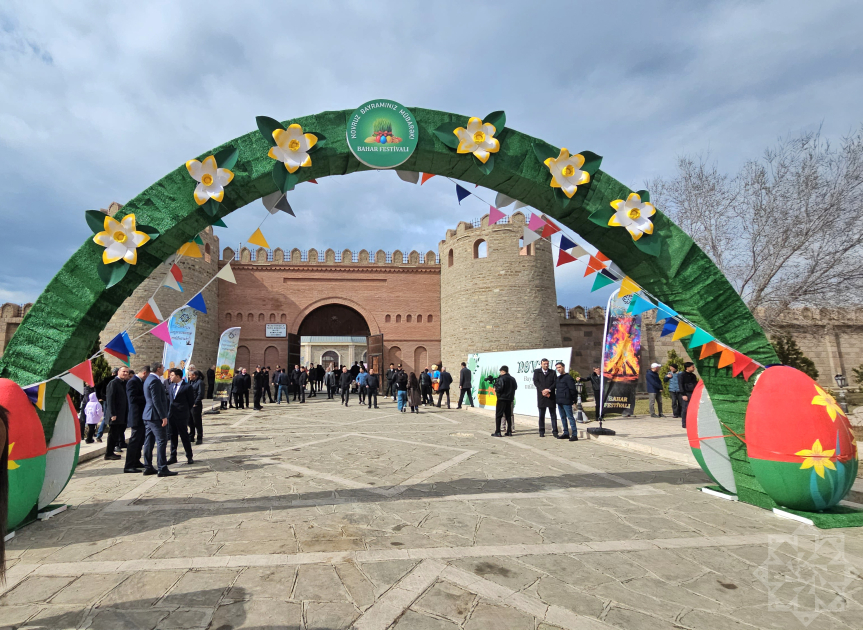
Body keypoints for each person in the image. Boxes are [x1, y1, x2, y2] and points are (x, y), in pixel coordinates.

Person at [142, 361, 174, 477]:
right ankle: (162, 467)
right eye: (162, 367)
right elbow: (156, 400)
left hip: (148, 415)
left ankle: (148, 466)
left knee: (149, 441)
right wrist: (163, 416)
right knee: (161, 440)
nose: (164, 369)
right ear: (158, 368)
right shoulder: (154, 380)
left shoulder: (148, 379)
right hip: (155, 416)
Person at [166, 368, 194, 465]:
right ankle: (173, 456)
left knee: (184, 435)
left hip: (182, 415)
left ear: (178, 376)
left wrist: (184, 411)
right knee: (172, 436)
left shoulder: (187, 387)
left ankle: (189, 456)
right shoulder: (171, 386)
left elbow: (191, 401)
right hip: (171, 415)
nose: (170, 377)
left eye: (172, 375)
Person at [124, 366, 149, 473]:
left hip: (142, 415)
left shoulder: (140, 381)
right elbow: (132, 398)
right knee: (134, 441)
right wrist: (147, 397)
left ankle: (136, 460)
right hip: (136, 416)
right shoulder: (132, 382)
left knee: (140, 440)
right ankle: (129, 465)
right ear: (144, 373)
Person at [104, 366, 130, 460]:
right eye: (124, 371)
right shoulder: (113, 383)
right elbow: (110, 400)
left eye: (127, 372)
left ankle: (112, 451)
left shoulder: (124, 383)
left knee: (118, 434)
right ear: (118, 372)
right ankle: (108, 453)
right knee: (112, 434)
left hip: (122, 414)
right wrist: (112, 414)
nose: (125, 373)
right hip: (115, 415)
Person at [533, 359, 558, 437]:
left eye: (547, 364)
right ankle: (541, 431)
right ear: (541, 364)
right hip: (541, 396)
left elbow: (555, 382)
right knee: (541, 415)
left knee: (553, 415)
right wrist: (542, 390)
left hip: (551, 396)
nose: (546, 365)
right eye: (544, 364)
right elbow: (536, 381)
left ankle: (555, 431)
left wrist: (548, 390)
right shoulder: (537, 372)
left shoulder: (552, 372)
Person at [554, 362, 578, 441]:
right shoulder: (558, 378)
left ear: (563, 367)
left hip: (567, 400)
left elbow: (572, 389)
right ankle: (566, 433)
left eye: (559, 367)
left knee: (570, 417)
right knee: (562, 417)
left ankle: (574, 434)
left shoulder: (568, 377)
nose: (558, 369)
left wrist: (574, 400)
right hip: (559, 400)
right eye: (557, 368)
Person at [492, 366, 518, 436]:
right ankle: (509, 431)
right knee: (508, 415)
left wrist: (495, 388)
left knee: (499, 415)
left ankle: (498, 431)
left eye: (500, 371)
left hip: (502, 399)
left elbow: (500, 388)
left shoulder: (501, 378)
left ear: (503, 371)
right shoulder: (512, 379)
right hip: (509, 399)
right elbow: (515, 387)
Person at [94, 367, 117, 443]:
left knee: (106, 417)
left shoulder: (107, 379)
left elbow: (97, 387)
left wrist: (100, 397)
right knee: (108, 417)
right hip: (110, 400)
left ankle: (99, 435)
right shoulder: (114, 380)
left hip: (106, 399)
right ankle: (100, 434)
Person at [680, 362, 698, 429]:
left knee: (693, 409)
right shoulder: (682, 375)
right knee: (685, 409)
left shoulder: (693, 376)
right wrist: (683, 394)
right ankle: (684, 423)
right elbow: (680, 385)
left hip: (693, 394)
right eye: (692, 367)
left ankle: (692, 423)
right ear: (687, 368)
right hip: (686, 393)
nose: (694, 368)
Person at [188, 369, 205, 444]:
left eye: (189, 375)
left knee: (197, 421)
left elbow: (200, 394)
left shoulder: (199, 382)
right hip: (189, 404)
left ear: (194, 375)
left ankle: (199, 437)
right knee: (190, 421)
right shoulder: (190, 382)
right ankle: (191, 435)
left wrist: (195, 403)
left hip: (196, 405)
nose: (189, 377)